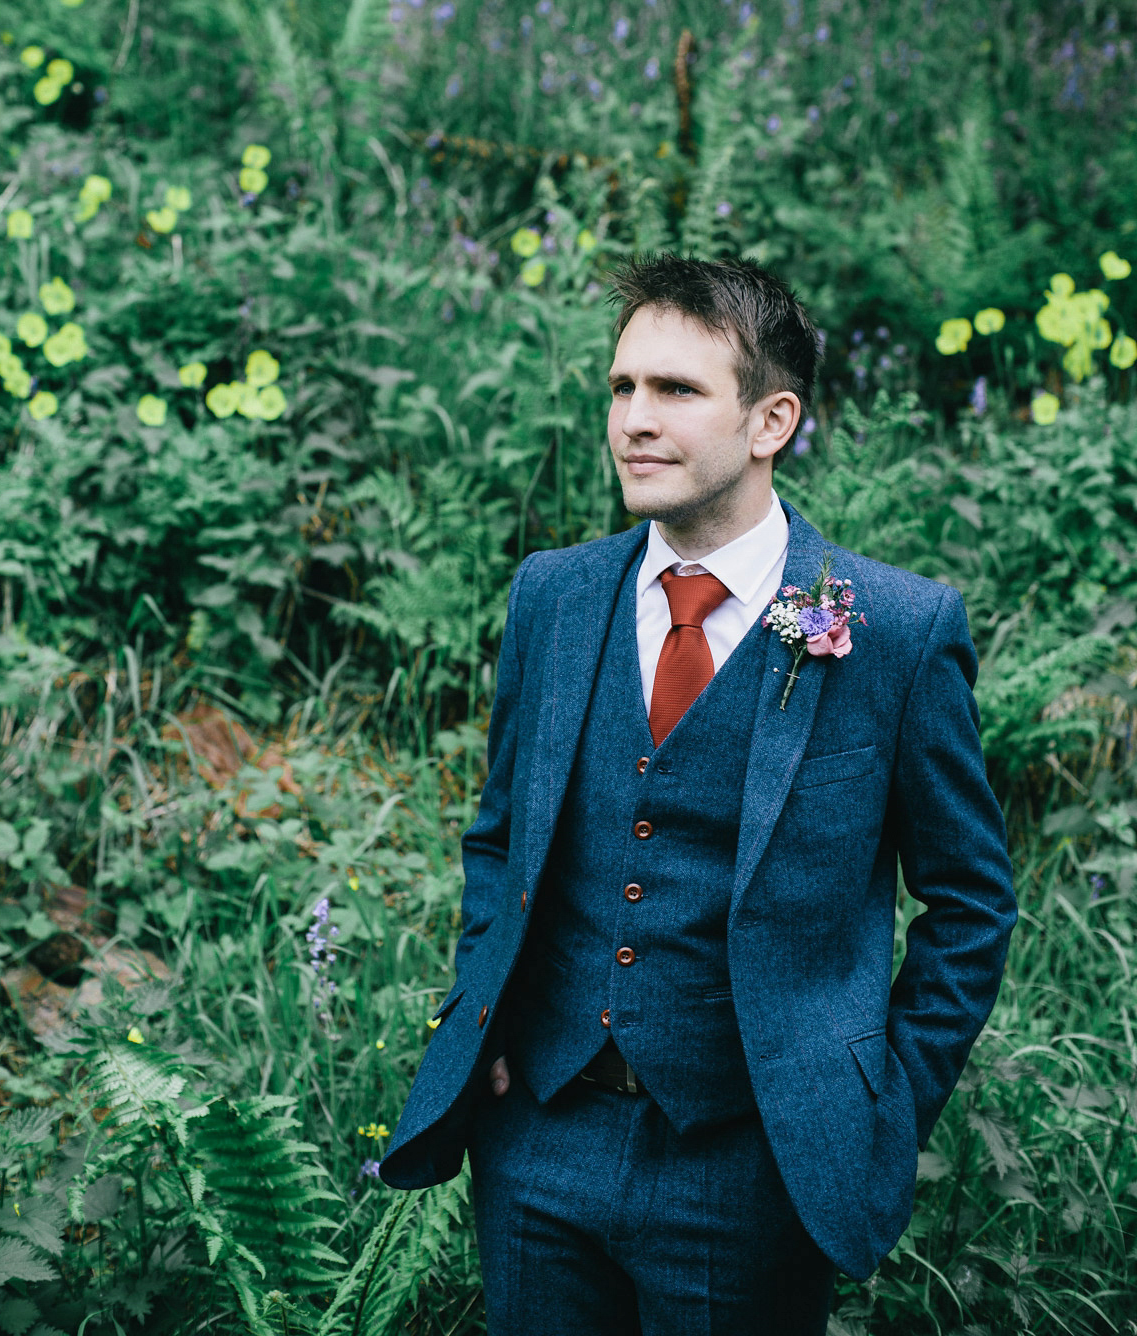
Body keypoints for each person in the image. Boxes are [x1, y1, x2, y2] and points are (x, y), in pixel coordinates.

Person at [381, 253, 1017, 1335]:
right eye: (622, 387)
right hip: (538, 1144)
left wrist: (876, 1105)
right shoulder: (554, 594)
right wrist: (482, 1019)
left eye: (676, 391)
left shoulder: (894, 631)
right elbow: (499, 837)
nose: (634, 418)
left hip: (752, 1166)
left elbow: (971, 904)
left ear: (772, 420)